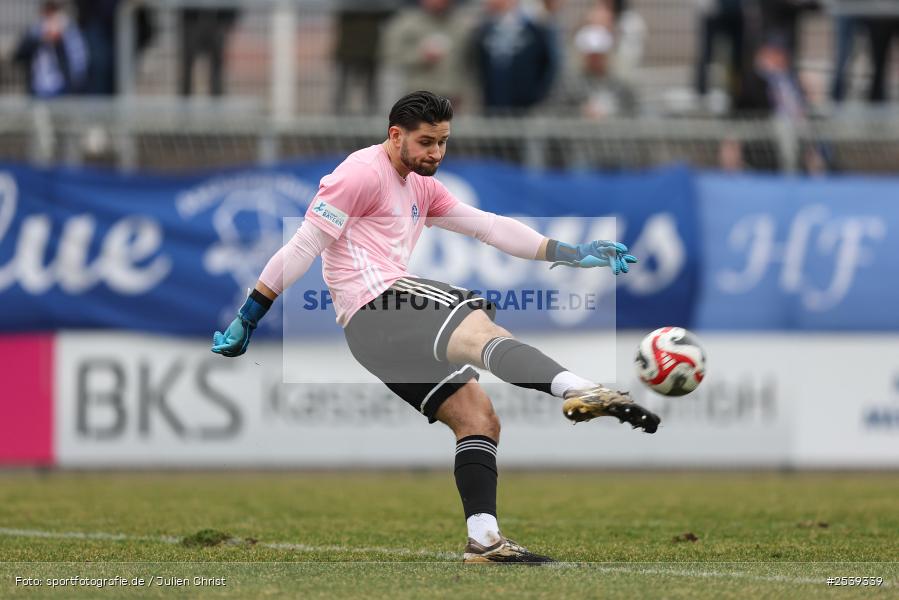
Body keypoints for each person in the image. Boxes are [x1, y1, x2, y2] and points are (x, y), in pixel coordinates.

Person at [211, 91, 659, 563]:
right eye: (427, 142)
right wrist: (250, 314)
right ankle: (580, 388)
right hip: (382, 301)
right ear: (395, 135)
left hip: (367, 335)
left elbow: (488, 227)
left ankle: (484, 541)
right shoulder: (359, 174)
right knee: (483, 332)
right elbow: (303, 246)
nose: (436, 154)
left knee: (477, 419)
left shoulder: (422, 186)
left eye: (444, 142)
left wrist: (571, 253)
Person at [471, 0, 559, 112]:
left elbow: (548, 63)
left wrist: (536, 93)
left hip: (525, 104)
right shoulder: (485, 29)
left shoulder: (535, 28)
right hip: (492, 102)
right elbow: (477, 63)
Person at [380, 0, 472, 105]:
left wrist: (461, 91)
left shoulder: (460, 26)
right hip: (417, 95)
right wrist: (421, 56)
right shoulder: (405, 23)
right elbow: (390, 56)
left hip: (451, 95)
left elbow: (467, 63)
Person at [13, 1, 88, 98]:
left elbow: (79, 65)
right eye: (47, 10)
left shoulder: (71, 32)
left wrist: (59, 42)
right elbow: (18, 56)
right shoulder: (34, 31)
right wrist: (40, 39)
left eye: (53, 10)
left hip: (62, 91)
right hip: (37, 90)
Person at [179, 8, 239, 97]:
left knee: (217, 65)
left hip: (218, 20)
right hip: (192, 20)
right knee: (187, 63)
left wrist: (229, 19)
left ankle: (217, 102)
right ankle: (184, 102)